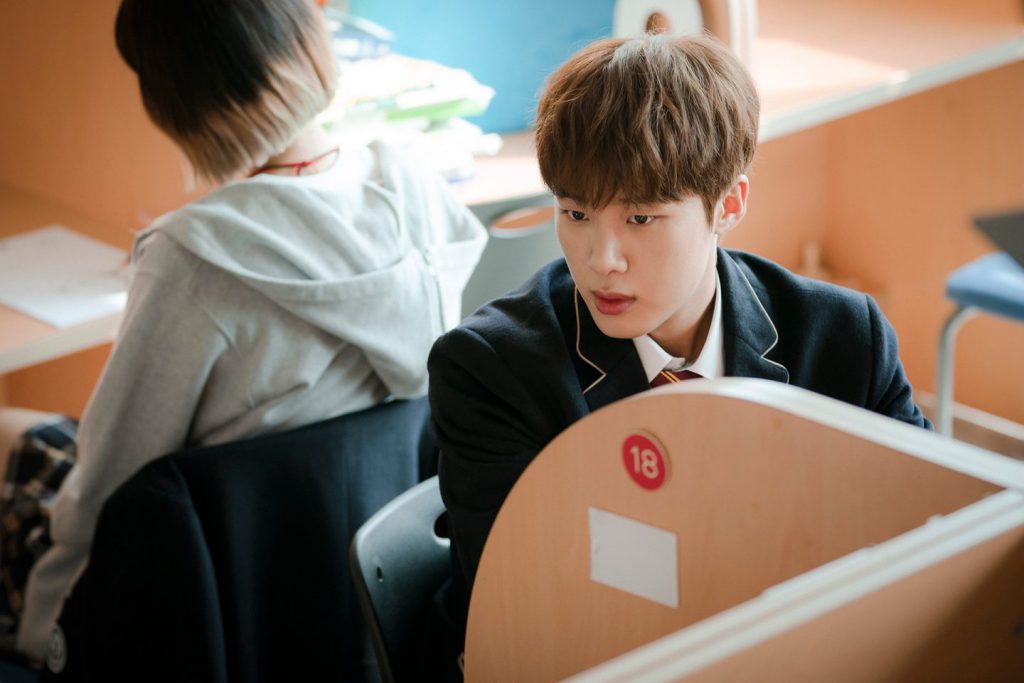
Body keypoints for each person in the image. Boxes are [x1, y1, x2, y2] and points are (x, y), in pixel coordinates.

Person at [0, 0, 485, 661]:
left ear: (174, 106)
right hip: (354, 592)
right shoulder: (418, 187)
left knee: (13, 434)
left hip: (202, 592)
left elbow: (110, 480)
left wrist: (50, 625)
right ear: (307, 35)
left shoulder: (194, 258)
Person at [427, 32, 931, 653]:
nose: (602, 260)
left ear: (729, 204)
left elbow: (932, 528)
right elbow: (524, 610)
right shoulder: (491, 368)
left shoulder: (843, 335)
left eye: (640, 218)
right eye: (576, 214)